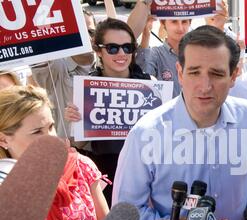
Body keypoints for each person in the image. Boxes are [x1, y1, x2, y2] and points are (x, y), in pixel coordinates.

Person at [112, 25, 247, 220]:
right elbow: (126, 212)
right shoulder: (147, 132)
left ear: (234, 76)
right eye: (195, 72)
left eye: (217, 74)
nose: (205, 86)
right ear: (179, 72)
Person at [0, 85, 133, 220]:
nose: (51, 137)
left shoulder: (81, 166)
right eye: (37, 132)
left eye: (51, 126)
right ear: (3, 139)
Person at [31, 0, 150, 139]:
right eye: (78, 30)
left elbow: (128, 34)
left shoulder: (113, 63)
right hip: (78, 153)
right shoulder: (57, 68)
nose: (85, 36)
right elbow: (39, 57)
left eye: (90, 31)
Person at [65, 18, 152, 207]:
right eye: (113, 48)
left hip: (143, 174)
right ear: (98, 51)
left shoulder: (150, 84)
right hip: (104, 176)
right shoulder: (85, 88)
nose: (121, 53)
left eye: (127, 47)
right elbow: (78, 143)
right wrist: (76, 120)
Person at [136, 18, 191, 98]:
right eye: (174, 21)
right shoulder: (155, 54)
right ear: (163, 23)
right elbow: (143, 79)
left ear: (190, 23)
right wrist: (146, 34)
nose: (180, 28)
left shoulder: (198, 54)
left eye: (184, 21)